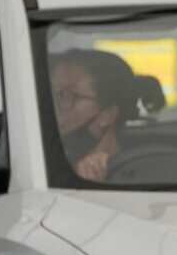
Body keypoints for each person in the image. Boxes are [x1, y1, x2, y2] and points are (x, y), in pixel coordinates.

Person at [49, 48, 138, 182]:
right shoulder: (47, 164)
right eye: (54, 94)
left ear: (107, 115)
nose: (54, 106)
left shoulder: (135, 174)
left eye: (66, 96)